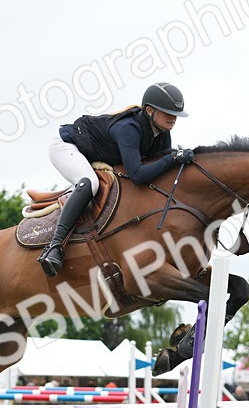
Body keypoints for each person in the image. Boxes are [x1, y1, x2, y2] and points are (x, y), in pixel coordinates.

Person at [37, 82, 192, 276]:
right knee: (89, 182)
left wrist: (180, 159)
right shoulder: (129, 129)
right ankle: (54, 247)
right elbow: (137, 175)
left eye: (175, 115)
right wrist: (173, 158)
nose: (173, 118)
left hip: (93, 154)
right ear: (150, 110)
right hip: (66, 146)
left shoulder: (162, 134)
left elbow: (161, 169)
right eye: (168, 113)